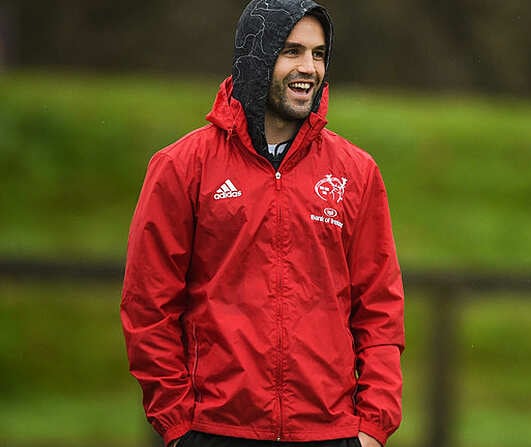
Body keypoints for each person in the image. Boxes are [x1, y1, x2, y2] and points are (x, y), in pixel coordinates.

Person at [120, 2, 404, 447]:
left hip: (330, 435)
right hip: (215, 431)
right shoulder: (181, 167)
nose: (308, 67)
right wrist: (176, 425)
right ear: (256, 56)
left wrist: (372, 427)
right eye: (291, 51)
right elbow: (148, 305)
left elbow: (380, 310)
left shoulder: (356, 172)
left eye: (318, 53)